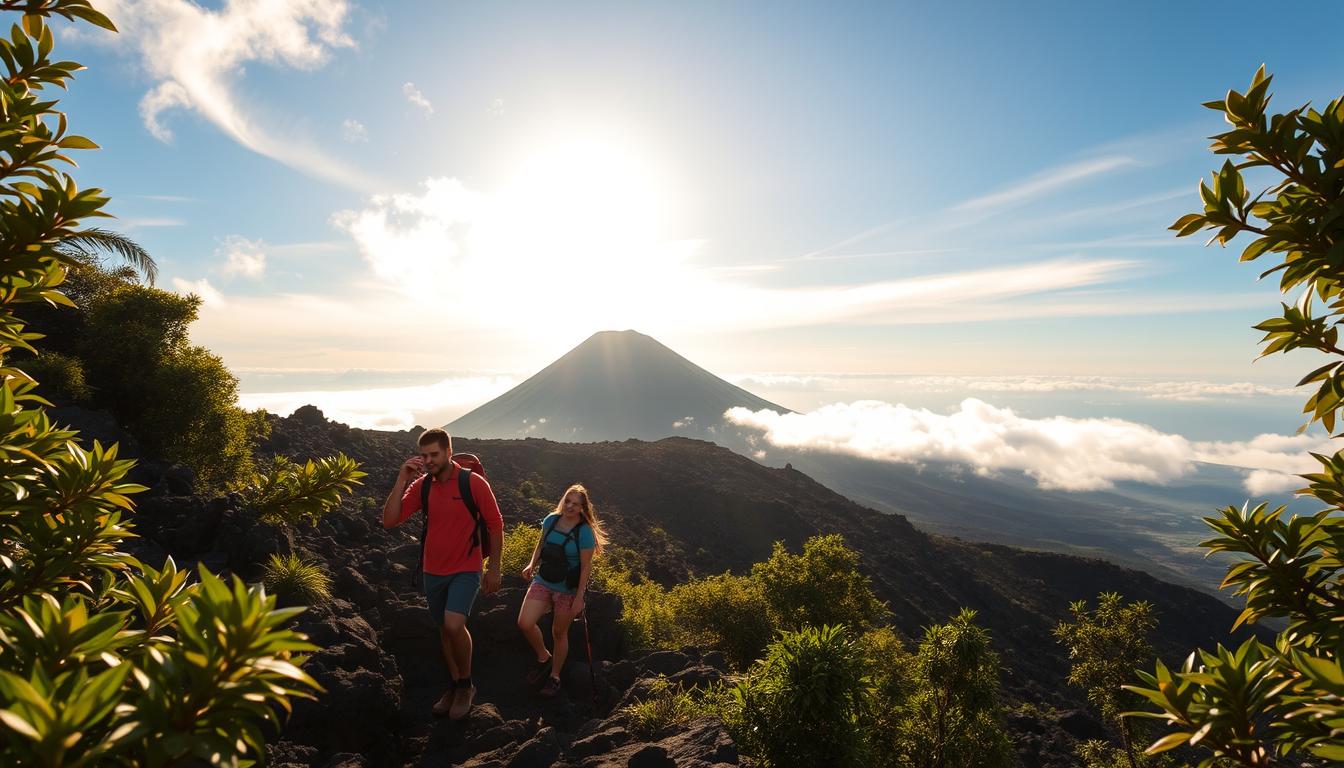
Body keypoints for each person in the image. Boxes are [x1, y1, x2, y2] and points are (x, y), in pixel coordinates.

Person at [382, 428, 504, 720]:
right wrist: (402, 480)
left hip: (466, 567)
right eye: (424, 455)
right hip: (433, 569)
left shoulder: (472, 484)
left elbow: (495, 524)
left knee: (452, 624)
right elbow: (389, 521)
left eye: (434, 454)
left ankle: (466, 685)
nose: (428, 460)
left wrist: (494, 568)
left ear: (449, 452)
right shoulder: (423, 486)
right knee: (443, 629)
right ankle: (453, 684)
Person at [516, 484, 607, 698]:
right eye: (568, 501)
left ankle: (555, 676)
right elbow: (541, 545)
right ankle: (543, 657)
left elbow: (586, 567)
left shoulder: (584, 532)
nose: (570, 506)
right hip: (543, 580)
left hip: (567, 588)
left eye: (576, 504)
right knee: (524, 623)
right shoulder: (551, 520)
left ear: (583, 508)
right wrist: (531, 564)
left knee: (559, 632)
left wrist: (579, 598)